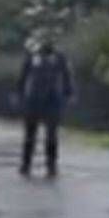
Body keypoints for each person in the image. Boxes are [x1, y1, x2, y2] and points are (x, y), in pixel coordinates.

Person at [16, 34, 75, 177]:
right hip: (34, 100)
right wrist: (19, 93)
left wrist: (69, 93)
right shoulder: (32, 57)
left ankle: (51, 166)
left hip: (52, 100)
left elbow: (67, 76)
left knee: (52, 136)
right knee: (30, 135)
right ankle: (26, 164)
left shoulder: (60, 58)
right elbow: (23, 76)